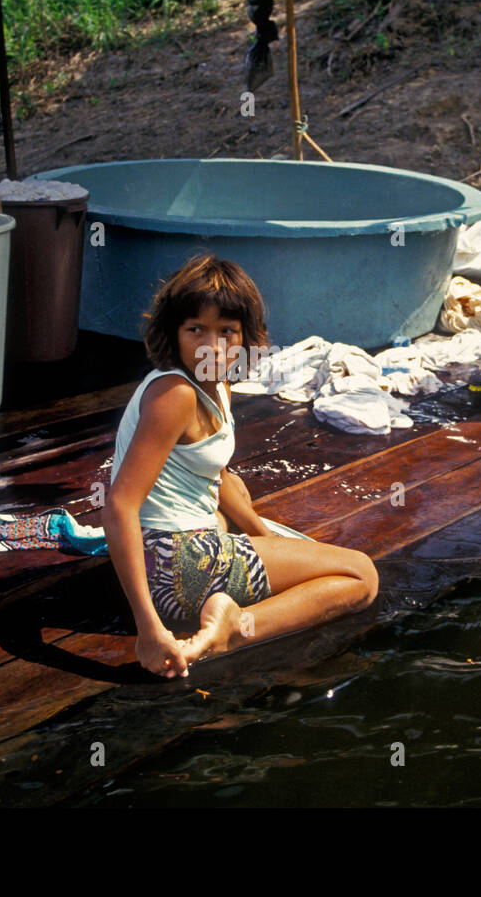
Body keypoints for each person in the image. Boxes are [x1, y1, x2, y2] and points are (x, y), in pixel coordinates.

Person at [102, 254, 379, 679]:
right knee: (361, 576)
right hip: (175, 564)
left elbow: (218, 475)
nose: (213, 346)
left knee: (247, 509)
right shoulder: (175, 395)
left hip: (177, 550)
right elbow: (119, 505)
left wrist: (265, 536)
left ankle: (226, 600)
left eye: (226, 331)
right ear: (172, 333)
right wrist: (148, 629)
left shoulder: (213, 381)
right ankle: (237, 628)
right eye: (196, 329)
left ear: (245, 337)